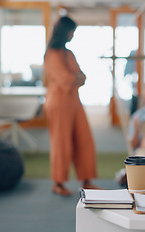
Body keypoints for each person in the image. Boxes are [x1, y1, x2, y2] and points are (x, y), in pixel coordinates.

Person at [43, 16, 99, 196]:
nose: (72, 35)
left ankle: (87, 180)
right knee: (61, 143)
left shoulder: (69, 53)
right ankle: (58, 183)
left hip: (74, 101)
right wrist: (75, 78)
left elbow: (82, 76)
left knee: (84, 138)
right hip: (58, 102)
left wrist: (75, 78)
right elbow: (66, 79)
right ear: (63, 32)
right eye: (71, 31)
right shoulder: (52, 53)